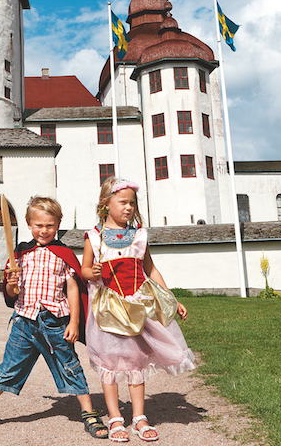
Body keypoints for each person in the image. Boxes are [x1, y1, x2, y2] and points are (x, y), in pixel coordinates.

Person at [0, 196, 109, 439]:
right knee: (8, 367)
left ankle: (88, 412)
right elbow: (12, 294)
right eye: (39, 225)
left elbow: (73, 290)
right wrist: (11, 285)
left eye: (49, 225)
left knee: (71, 366)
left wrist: (75, 322)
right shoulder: (20, 255)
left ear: (58, 224)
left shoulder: (63, 254)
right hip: (24, 321)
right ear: (28, 223)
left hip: (56, 322)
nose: (44, 230)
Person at [81, 178, 196, 442]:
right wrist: (92, 272)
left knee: (136, 361)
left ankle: (139, 417)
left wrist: (171, 298)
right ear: (105, 204)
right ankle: (114, 417)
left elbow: (150, 270)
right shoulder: (94, 237)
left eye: (132, 203)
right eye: (122, 202)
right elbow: (85, 269)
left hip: (137, 305)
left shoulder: (139, 237)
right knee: (109, 361)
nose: (129, 208)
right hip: (108, 309)